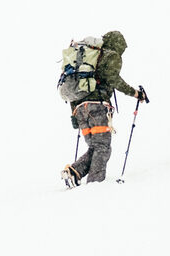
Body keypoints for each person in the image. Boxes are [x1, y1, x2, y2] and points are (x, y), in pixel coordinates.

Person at [61, 31, 147, 187]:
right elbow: (113, 79)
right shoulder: (111, 55)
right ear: (118, 44)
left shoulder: (90, 57)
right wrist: (135, 93)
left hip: (80, 110)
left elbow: (77, 88)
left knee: (96, 147)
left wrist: (74, 115)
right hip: (97, 106)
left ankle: (74, 171)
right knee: (103, 148)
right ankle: (95, 186)